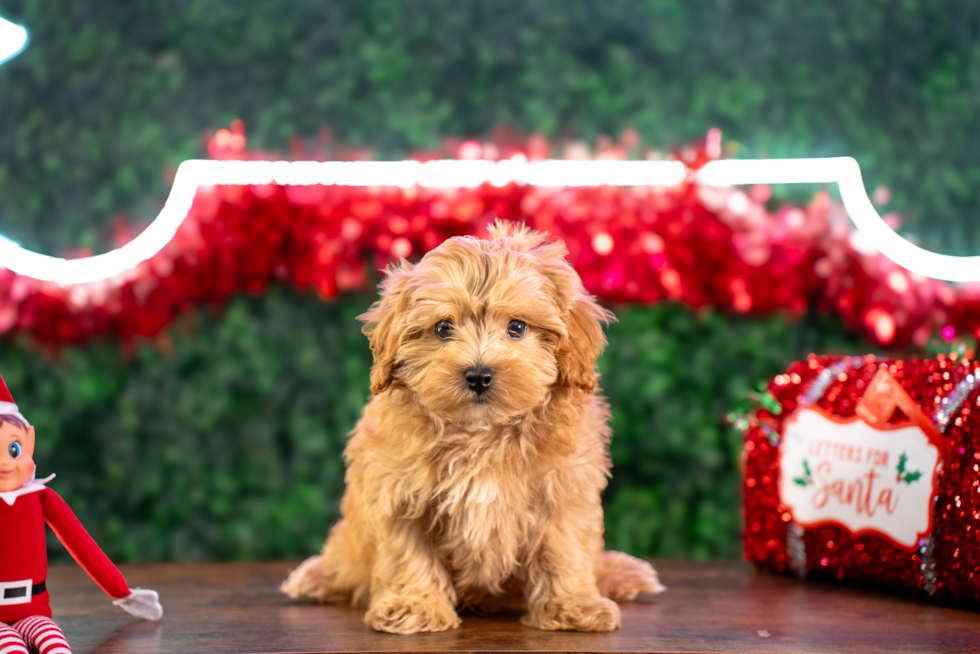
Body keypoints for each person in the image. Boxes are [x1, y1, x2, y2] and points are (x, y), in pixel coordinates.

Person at [0, 375, 161, 654]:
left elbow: (82, 545)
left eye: (14, 449)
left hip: (34, 610)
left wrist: (121, 591)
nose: (5, 462)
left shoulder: (40, 497)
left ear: (30, 441)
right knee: (10, 647)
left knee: (55, 642)